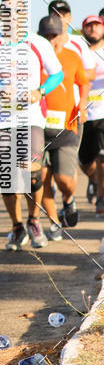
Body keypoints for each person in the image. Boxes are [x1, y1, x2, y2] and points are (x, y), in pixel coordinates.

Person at [0, 0, 62, 250]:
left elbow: (57, 73)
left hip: (31, 119)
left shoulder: (38, 43)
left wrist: (40, 92)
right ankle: (16, 225)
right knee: (9, 179)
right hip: (3, 122)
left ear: (25, 14)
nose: (12, 15)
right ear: (1, 15)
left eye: (18, 10)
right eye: (7, 11)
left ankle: (34, 220)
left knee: (32, 174)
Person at [37, 15, 88, 239]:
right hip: (37, 126)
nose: (50, 40)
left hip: (66, 125)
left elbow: (84, 82)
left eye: (54, 35)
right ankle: (54, 222)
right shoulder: (32, 58)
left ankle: (68, 199)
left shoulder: (72, 56)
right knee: (42, 177)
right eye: (45, 35)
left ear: (61, 36)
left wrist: (83, 105)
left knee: (64, 179)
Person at [79, 15, 104, 217]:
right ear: (83, 31)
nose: (93, 29)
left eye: (97, 25)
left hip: (103, 113)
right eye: (89, 26)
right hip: (84, 114)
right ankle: (96, 181)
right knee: (83, 160)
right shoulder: (79, 55)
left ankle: (101, 197)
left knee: (102, 156)